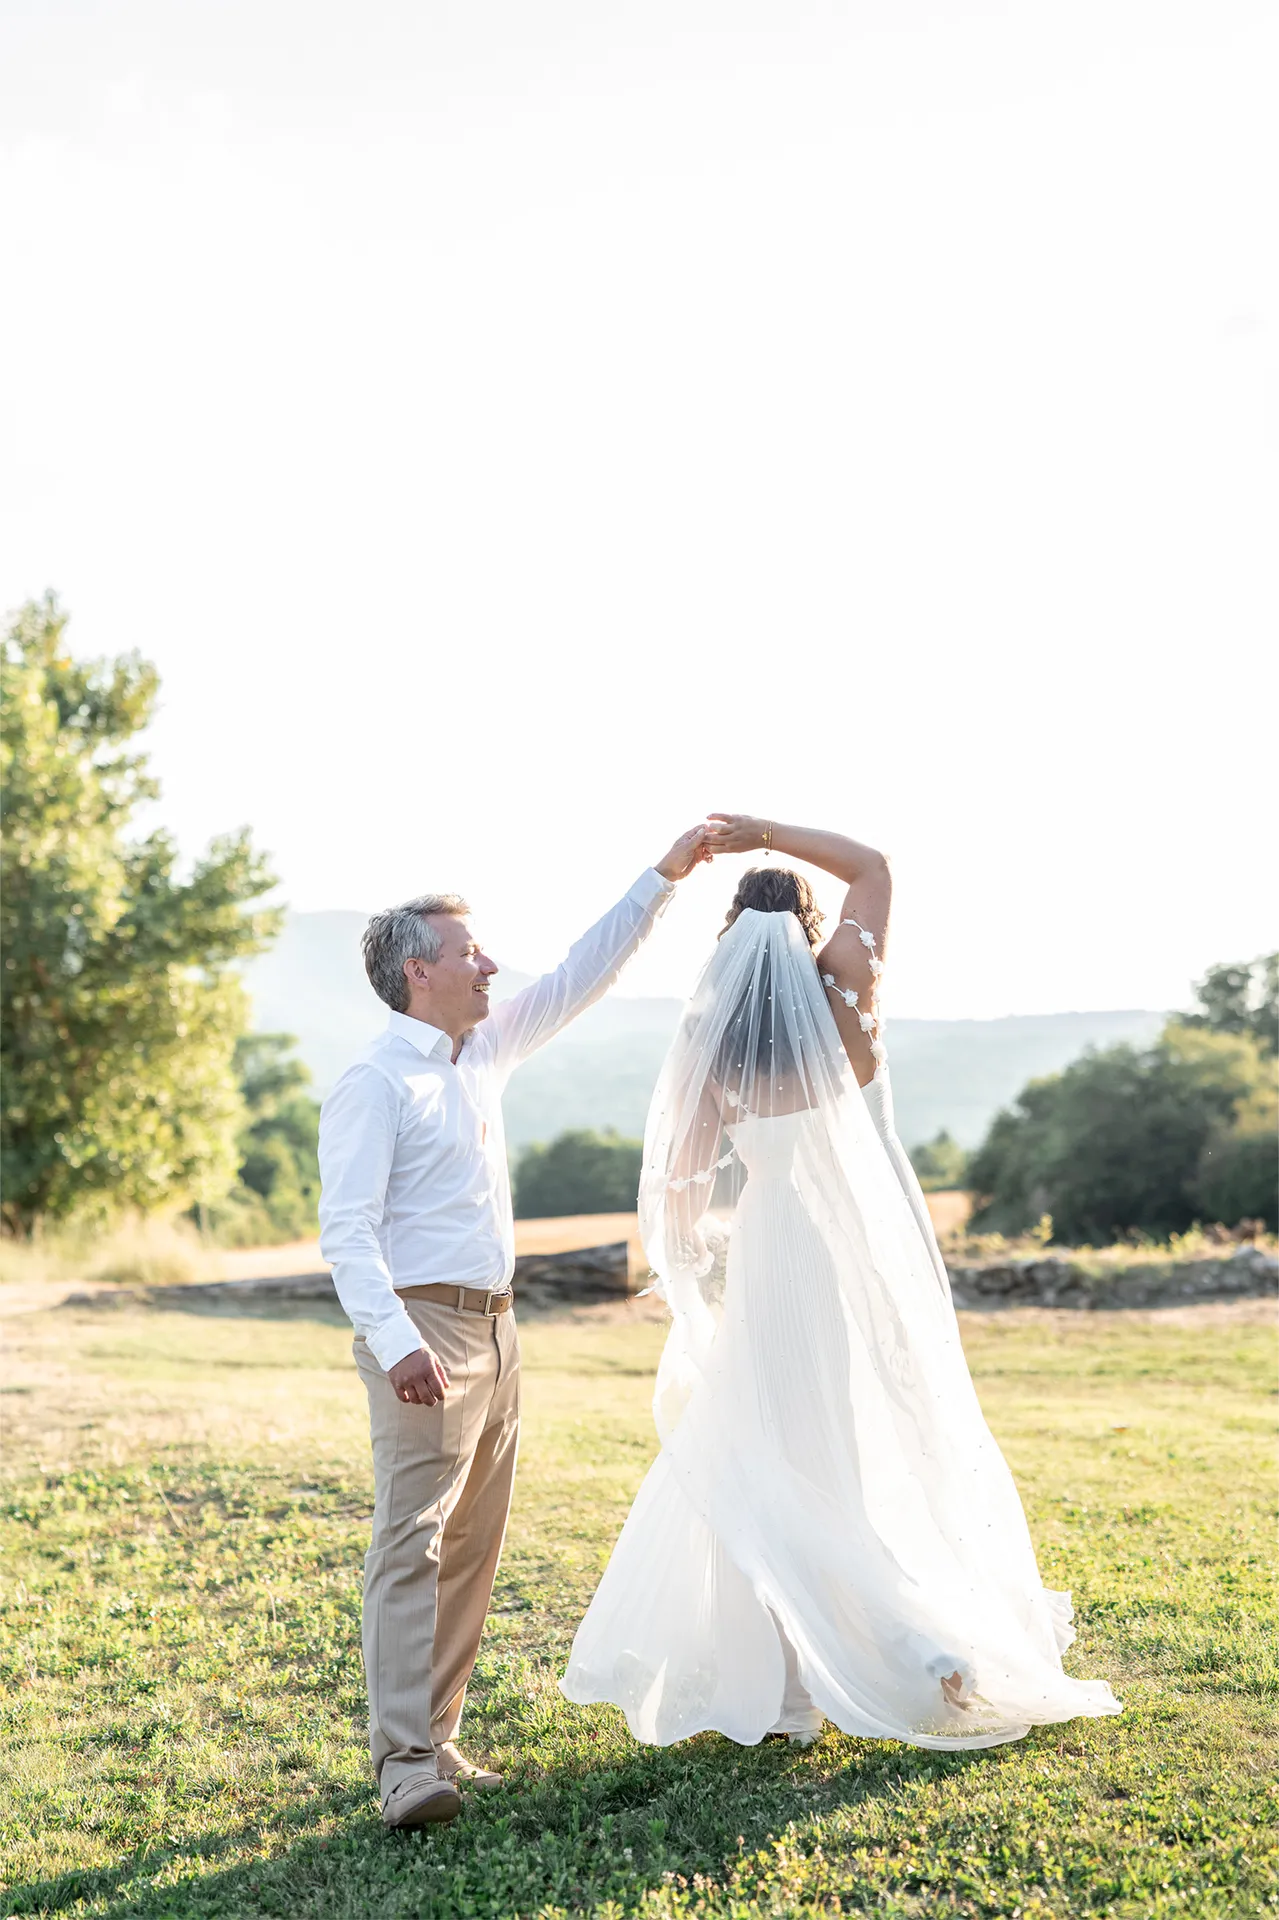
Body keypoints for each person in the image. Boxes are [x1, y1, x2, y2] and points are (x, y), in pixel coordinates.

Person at [561, 814, 1121, 1751]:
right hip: (866, 1254)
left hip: (774, 1256)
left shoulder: (718, 1042)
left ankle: (819, 1684)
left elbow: (682, 1186)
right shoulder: (850, 991)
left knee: (773, 1459)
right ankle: (899, 1644)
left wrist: (687, 1275)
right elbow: (874, 863)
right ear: (812, 932)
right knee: (861, 1453)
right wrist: (757, 831)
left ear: (729, 948)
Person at [318, 826, 710, 1829]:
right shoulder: (375, 1083)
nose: (489, 964)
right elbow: (347, 1231)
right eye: (469, 952)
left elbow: (584, 971)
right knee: (411, 1541)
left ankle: (438, 1736)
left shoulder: (483, 1048)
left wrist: (662, 878)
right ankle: (403, 1766)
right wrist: (398, 1341)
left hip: (498, 1330)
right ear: (420, 971)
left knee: (473, 1543)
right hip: (424, 1329)